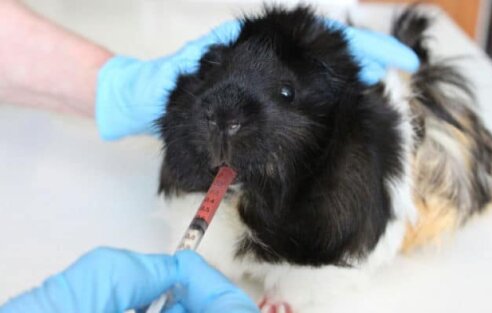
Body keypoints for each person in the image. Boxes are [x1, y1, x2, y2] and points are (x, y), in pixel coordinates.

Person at [0, 1, 420, 312]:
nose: (225, 118)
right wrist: (119, 89)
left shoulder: (353, 185)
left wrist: (109, 84)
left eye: (286, 94)